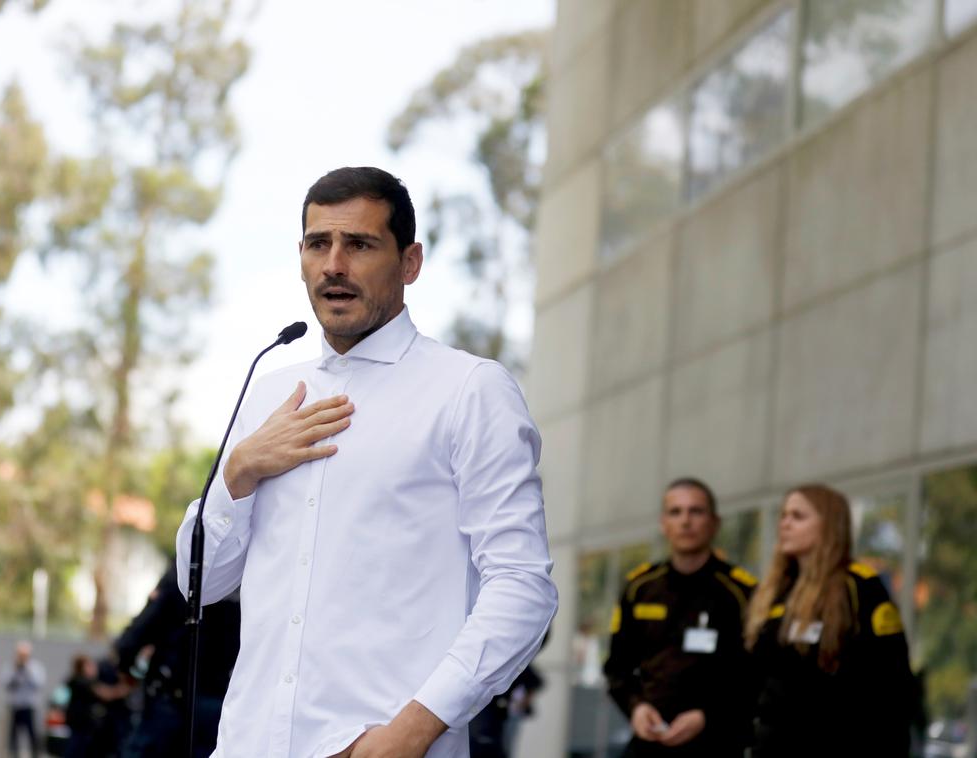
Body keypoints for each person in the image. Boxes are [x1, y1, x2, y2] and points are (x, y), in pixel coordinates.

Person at [175, 166, 557, 758]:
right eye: (317, 244)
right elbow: (200, 586)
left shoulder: (469, 390)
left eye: (359, 244)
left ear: (410, 264)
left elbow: (522, 585)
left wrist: (414, 730)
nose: (333, 265)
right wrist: (238, 473)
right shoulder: (267, 389)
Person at [745, 484, 913, 755]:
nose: (785, 524)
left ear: (829, 524)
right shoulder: (774, 592)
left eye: (798, 517)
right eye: (783, 516)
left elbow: (893, 685)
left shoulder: (860, 586)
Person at [603, 478, 756, 757]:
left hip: (717, 741)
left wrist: (707, 716)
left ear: (715, 522)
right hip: (650, 739)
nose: (685, 521)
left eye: (696, 511)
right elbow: (616, 669)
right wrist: (636, 708)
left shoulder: (741, 592)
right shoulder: (640, 587)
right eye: (676, 512)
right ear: (663, 523)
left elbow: (754, 676)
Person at [115, 566, 240, 758]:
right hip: (217, 697)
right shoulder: (242, 575)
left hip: (170, 694)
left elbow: (134, 637)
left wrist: (127, 668)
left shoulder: (184, 571)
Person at [3, 640, 46, 758]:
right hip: (15, 706)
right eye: (20, 654)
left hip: (29, 706)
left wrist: (27, 670)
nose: (21, 657)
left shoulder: (35, 667)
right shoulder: (11, 666)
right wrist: (16, 671)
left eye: (24, 655)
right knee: (13, 736)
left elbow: (38, 684)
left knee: (33, 735)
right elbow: (5, 684)